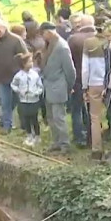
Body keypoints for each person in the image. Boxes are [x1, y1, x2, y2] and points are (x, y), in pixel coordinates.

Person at [40, 22, 76, 153]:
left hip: (58, 86)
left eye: (43, 33)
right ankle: (56, 141)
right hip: (48, 86)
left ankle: (65, 144)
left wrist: (69, 86)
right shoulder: (48, 45)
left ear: (48, 32)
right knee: (50, 117)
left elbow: (70, 70)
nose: (42, 37)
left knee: (59, 117)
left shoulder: (61, 47)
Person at [0, 19, 28, 134]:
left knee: (17, 100)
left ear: (4, 28)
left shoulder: (16, 40)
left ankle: (23, 125)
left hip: (16, 76)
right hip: (2, 76)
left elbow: (25, 56)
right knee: (5, 101)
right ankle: (7, 125)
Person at [68, 15, 97, 148]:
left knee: (77, 109)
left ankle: (79, 137)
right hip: (97, 79)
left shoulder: (74, 39)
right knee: (94, 112)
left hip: (78, 78)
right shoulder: (100, 38)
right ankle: (94, 137)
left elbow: (70, 61)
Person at [11, 53, 44, 146]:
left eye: (31, 61)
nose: (32, 63)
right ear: (23, 64)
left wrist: (36, 93)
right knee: (26, 118)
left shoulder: (35, 75)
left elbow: (40, 86)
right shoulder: (18, 76)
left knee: (34, 118)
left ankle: (37, 136)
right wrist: (19, 91)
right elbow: (13, 85)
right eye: (29, 62)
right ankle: (29, 135)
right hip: (23, 100)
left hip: (34, 100)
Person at [82, 35, 106, 159]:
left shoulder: (89, 43)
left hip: (94, 82)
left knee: (95, 117)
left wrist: (84, 86)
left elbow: (85, 68)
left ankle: (97, 148)